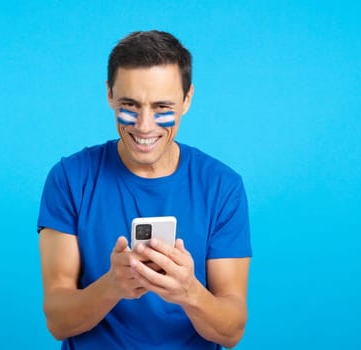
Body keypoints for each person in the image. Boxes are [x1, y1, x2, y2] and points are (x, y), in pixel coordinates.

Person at [37, 30, 252, 350]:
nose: (145, 125)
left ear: (187, 100)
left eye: (162, 107)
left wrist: (188, 291)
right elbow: (57, 320)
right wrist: (113, 285)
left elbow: (231, 330)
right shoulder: (70, 178)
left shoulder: (222, 187)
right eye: (130, 105)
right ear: (109, 95)